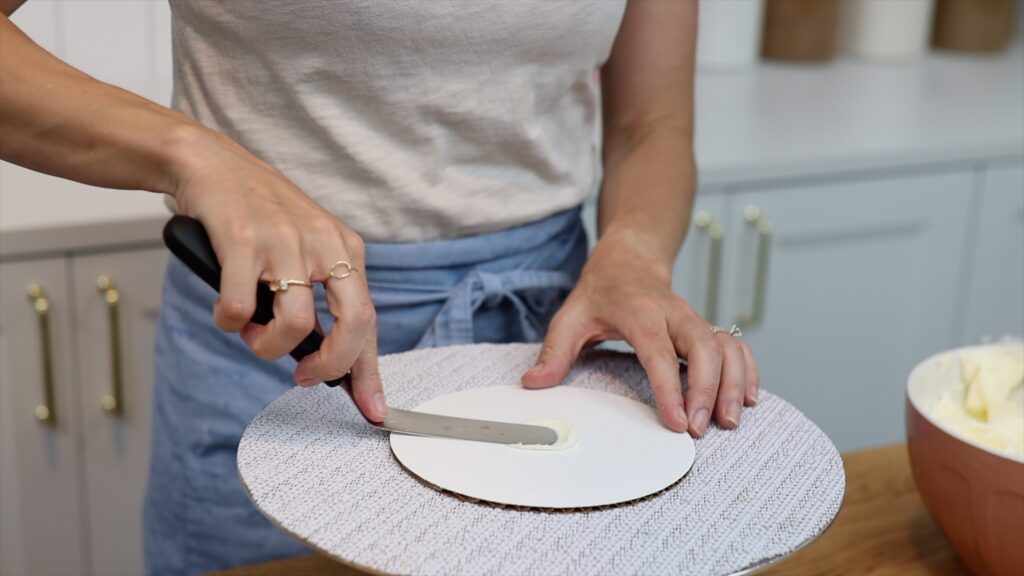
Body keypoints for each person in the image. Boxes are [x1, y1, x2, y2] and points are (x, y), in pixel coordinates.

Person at [0, 1, 759, 573]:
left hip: (545, 343)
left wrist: (632, 250)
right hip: (277, 347)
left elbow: (651, 123)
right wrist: (193, 154)